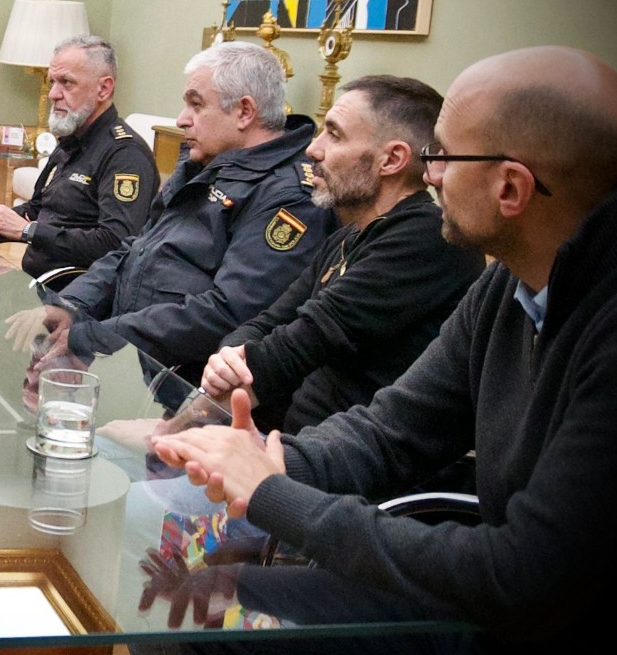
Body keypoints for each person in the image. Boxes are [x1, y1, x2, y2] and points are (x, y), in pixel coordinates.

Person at [152, 46, 617, 642]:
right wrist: (274, 460)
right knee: (197, 595)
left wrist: (274, 492)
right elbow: (390, 429)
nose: (431, 174)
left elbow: (524, 575)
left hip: (519, 607)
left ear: (510, 188)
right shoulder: (506, 284)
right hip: (484, 588)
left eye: (443, 155)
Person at [198, 76, 487, 434]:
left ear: (391, 159)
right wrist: (227, 356)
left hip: (356, 456)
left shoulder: (427, 237)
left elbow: (306, 340)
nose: (313, 149)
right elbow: (267, 322)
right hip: (299, 439)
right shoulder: (349, 235)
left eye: (334, 135)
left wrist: (188, 423)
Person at [41, 42, 336, 391]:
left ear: (244, 112)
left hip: (186, 387)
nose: (182, 119)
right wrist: (71, 305)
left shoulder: (289, 197)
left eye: (196, 104)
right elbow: (133, 248)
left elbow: (229, 312)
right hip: (126, 358)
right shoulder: (203, 163)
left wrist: (95, 336)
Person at [0, 35, 159, 280]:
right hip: (33, 278)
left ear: (104, 88)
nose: (54, 94)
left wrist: (27, 230)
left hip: (77, 291)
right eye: (52, 81)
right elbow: (38, 209)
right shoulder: (71, 140)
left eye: (67, 82)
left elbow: (116, 242)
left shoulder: (125, 155)